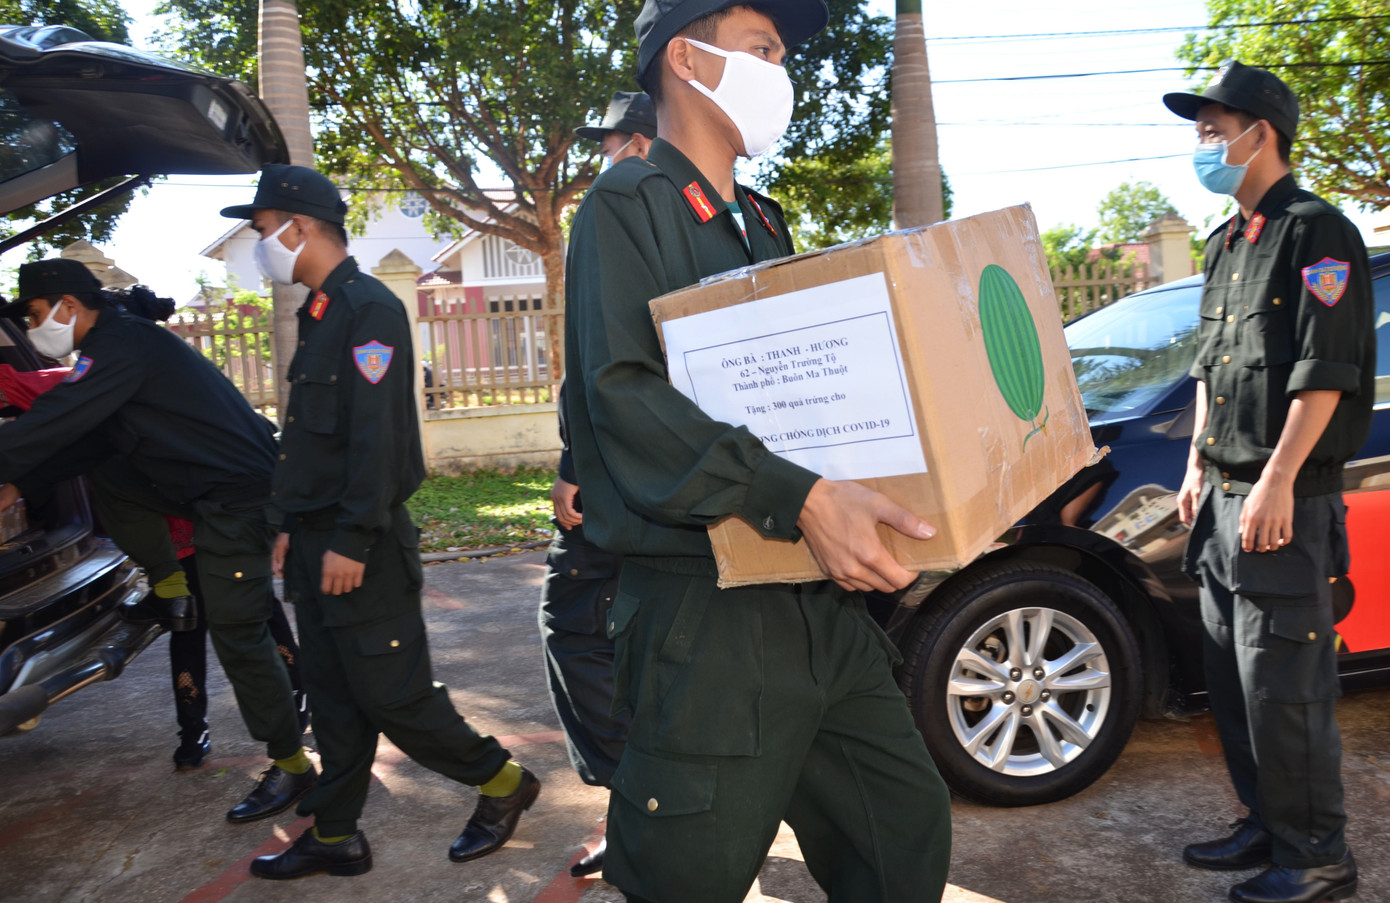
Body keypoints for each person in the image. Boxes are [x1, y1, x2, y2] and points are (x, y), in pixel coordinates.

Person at [562, 2, 952, 901]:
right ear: (688, 61)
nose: (782, 70)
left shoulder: (761, 224)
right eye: (762, 49)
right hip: (706, 611)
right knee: (686, 872)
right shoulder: (625, 206)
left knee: (901, 824)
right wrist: (802, 496)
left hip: (811, 597)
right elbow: (623, 397)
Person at [222, 164, 540, 881]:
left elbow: (379, 438)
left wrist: (352, 537)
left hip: (354, 545)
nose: (261, 242)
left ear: (300, 228)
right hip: (312, 539)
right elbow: (308, 439)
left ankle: (503, 781)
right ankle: (336, 836)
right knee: (334, 700)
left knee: (394, 697)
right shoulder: (321, 312)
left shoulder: (370, 310)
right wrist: (285, 525)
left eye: (264, 230)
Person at [0, 260, 315, 823]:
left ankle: (294, 766)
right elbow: (94, 444)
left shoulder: (120, 347)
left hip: (239, 503)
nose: (30, 327)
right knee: (110, 474)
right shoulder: (120, 343)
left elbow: (60, 415)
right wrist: (19, 482)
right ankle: (169, 583)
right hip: (208, 495)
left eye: (32, 314)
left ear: (67, 307)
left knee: (238, 634)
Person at [1167, 61, 1373, 903]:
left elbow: (1325, 371)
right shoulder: (1226, 241)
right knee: (1233, 677)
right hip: (1221, 496)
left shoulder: (1317, 233)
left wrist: (1279, 476)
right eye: (1202, 131)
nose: (1204, 143)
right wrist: (1193, 462)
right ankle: (1267, 820)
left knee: (1286, 685)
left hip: (1282, 497)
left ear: (1263, 133)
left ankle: (1318, 853)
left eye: (1216, 129)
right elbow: (1213, 367)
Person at [538, 89, 657, 881]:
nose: (604, 159)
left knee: (578, 631)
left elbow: (609, 368)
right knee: (632, 651)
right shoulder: (685, 220)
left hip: (617, 486)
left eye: (615, 144)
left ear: (642, 144)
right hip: (644, 481)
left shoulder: (624, 220)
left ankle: (645, 818)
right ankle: (641, 818)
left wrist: (574, 469)